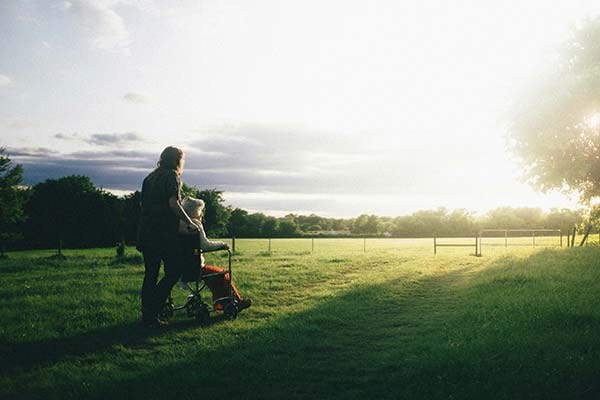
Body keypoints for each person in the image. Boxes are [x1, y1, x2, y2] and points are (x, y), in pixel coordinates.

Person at [136, 146, 198, 327]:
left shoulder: (150, 177)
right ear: (177, 160)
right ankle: (153, 308)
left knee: (151, 274)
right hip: (163, 234)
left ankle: (148, 315)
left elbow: (144, 205)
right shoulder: (172, 176)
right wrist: (189, 222)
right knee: (174, 270)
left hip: (146, 233)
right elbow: (174, 203)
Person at [178, 196, 252, 312]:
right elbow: (205, 246)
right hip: (195, 267)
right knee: (222, 274)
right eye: (200, 211)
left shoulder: (177, 224)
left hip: (179, 268)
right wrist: (222, 244)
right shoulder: (195, 224)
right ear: (194, 211)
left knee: (214, 274)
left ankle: (223, 302)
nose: (201, 214)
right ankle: (234, 301)